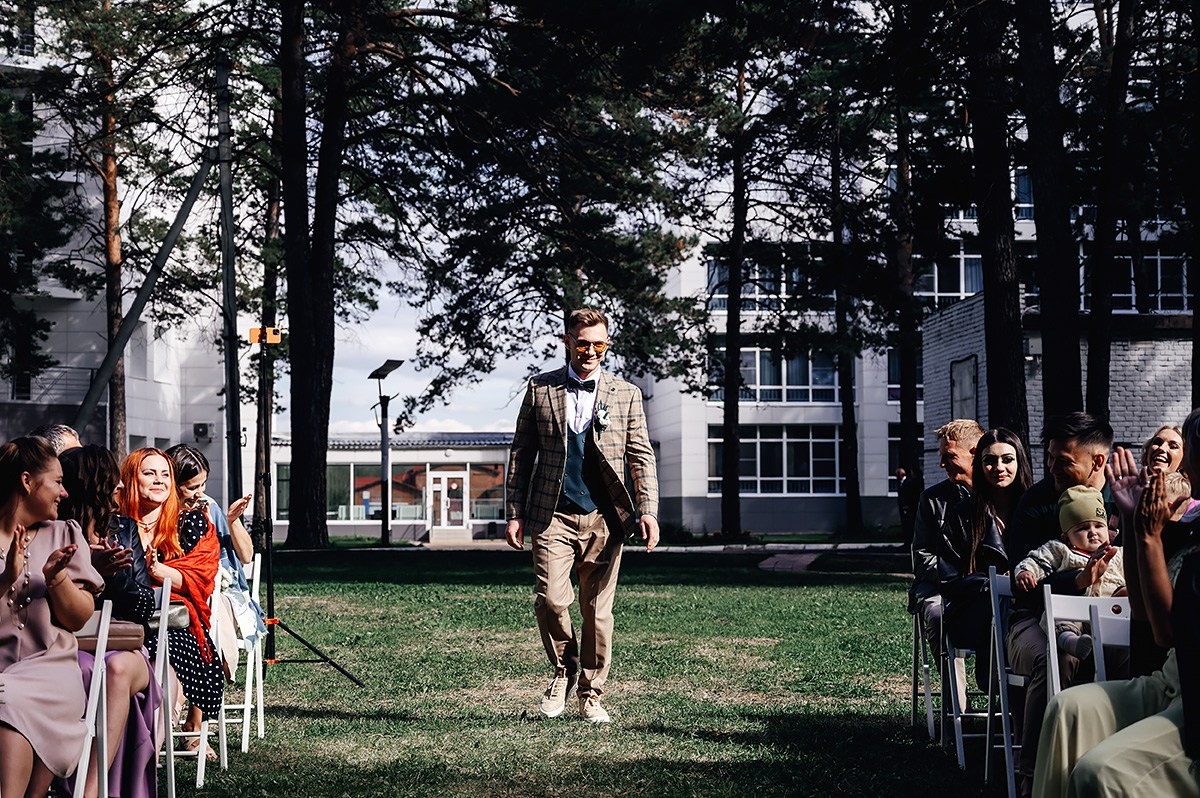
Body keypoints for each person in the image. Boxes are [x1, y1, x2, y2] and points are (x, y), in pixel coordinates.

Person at [1032, 412, 1200, 798]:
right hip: (1172, 681)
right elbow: (1143, 616)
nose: (1184, 460)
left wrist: (1149, 533)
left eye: (1189, 450)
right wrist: (1129, 516)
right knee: (1067, 710)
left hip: (1194, 700)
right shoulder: (1192, 527)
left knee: (1099, 772)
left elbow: (1166, 631)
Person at [505, 307, 659, 723]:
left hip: (605, 520)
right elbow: (521, 453)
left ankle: (591, 693)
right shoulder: (540, 389)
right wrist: (515, 512)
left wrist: (648, 510)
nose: (591, 351)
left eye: (599, 344)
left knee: (597, 612)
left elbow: (640, 456)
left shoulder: (626, 393)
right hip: (551, 514)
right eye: (583, 343)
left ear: (606, 346)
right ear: (568, 342)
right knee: (551, 600)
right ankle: (563, 670)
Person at [1004, 412, 1115, 794]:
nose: (1050, 467)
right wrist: (1077, 579)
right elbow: (1024, 582)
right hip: (1033, 619)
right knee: (1056, 657)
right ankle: (1032, 775)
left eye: (1062, 460)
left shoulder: (1121, 499)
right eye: (1048, 457)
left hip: (1110, 616)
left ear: (1097, 461)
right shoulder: (1036, 503)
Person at [0, 437, 103, 797]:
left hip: (51, 671)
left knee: (6, 699)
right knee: (6, 696)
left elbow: (77, 619)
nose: (64, 491)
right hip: (1, 673)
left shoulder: (65, 534)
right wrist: (5, 579)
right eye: (56, 481)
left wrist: (57, 577)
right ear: (27, 481)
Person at [58, 444, 160, 798]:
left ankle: (92, 787)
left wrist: (114, 577)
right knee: (85, 670)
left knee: (113, 670)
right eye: (111, 482)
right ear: (92, 486)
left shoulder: (124, 530)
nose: (120, 488)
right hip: (72, 641)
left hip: (121, 641)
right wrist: (89, 565)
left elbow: (146, 604)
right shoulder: (56, 533)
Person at [118, 447, 222, 757]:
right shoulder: (113, 523)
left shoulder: (191, 522)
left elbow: (203, 575)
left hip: (174, 621)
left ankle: (156, 737)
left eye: (165, 474)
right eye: (149, 473)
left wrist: (162, 572)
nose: (159, 481)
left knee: (168, 647)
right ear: (131, 478)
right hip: (123, 619)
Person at [939, 427, 1033, 691]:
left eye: (1007, 459)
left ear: (1019, 462)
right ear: (979, 466)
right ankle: (1001, 684)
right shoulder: (961, 515)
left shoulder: (1036, 507)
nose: (998, 467)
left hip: (1029, 608)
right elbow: (949, 577)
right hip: (977, 612)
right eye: (989, 460)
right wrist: (994, 585)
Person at [166, 444, 264, 677]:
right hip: (177, 589)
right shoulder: (159, 511)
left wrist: (231, 521)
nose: (200, 492)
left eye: (203, 484)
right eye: (192, 487)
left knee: (211, 610)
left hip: (217, 592)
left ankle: (211, 678)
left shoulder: (209, 507)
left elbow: (246, 556)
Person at [908, 419, 983, 703]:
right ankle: (957, 713)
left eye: (949, 456)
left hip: (985, 589)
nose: (942, 464)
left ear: (974, 453)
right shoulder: (932, 500)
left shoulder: (1001, 497)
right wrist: (958, 575)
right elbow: (921, 557)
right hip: (941, 589)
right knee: (939, 615)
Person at [1013, 486, 1125, 663]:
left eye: (1098, 526)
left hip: (1108, 618)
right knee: (1061, 615)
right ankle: (1069, 641)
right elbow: (1036, 560)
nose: (1093, 532)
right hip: (1075, 614)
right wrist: (1025, 572)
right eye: (1082, 528)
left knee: (1125, 604)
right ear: (1066, 537)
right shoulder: (1060, 550)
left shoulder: (1118, 554)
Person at [897, 467, 922, 545]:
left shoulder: (908, 483)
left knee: (908, 524)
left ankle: (909, 541)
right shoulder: (902, 483)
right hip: (904, 507)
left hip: (908, 508)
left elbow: (907, 496)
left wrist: (906, 506)